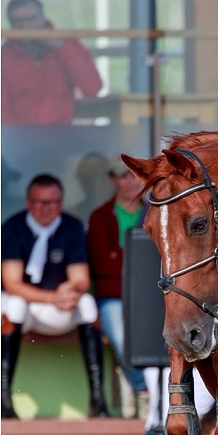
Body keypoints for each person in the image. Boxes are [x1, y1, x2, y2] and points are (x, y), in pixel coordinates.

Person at [1, 173, 109, 418]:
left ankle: (97, 400)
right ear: (29, 202)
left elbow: (81, 277)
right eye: (39, 202)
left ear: (60, 203)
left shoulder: (70, 227)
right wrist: (52, 297)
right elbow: (12, 283)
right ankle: (3, 400)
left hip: (59, 309)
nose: (45, 209)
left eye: (52, 202)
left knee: (87, 302)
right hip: (25, 310)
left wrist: (70, 290)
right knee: (14, 304)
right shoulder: (12, 227)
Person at [87, 158, 148, 418]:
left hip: (149, 295)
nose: (130, 182)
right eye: (124, 176)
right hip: (111, 296)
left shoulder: (154, 212)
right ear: (113, 179)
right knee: (124, 342)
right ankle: (144, 391)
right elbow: (101, 265)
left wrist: (120, 257)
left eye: (135, 176)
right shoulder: (100, 217)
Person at [1, 0, 103, 125]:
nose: (25, 26)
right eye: (18, 22)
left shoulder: (68, 45)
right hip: (18, 136)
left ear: (43, 18)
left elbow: (93, 87)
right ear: (11, 25)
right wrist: (15, 137)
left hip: (61, 133)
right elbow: (0, 107)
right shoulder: (3, 57)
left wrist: (63, 48)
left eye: (31, 19)